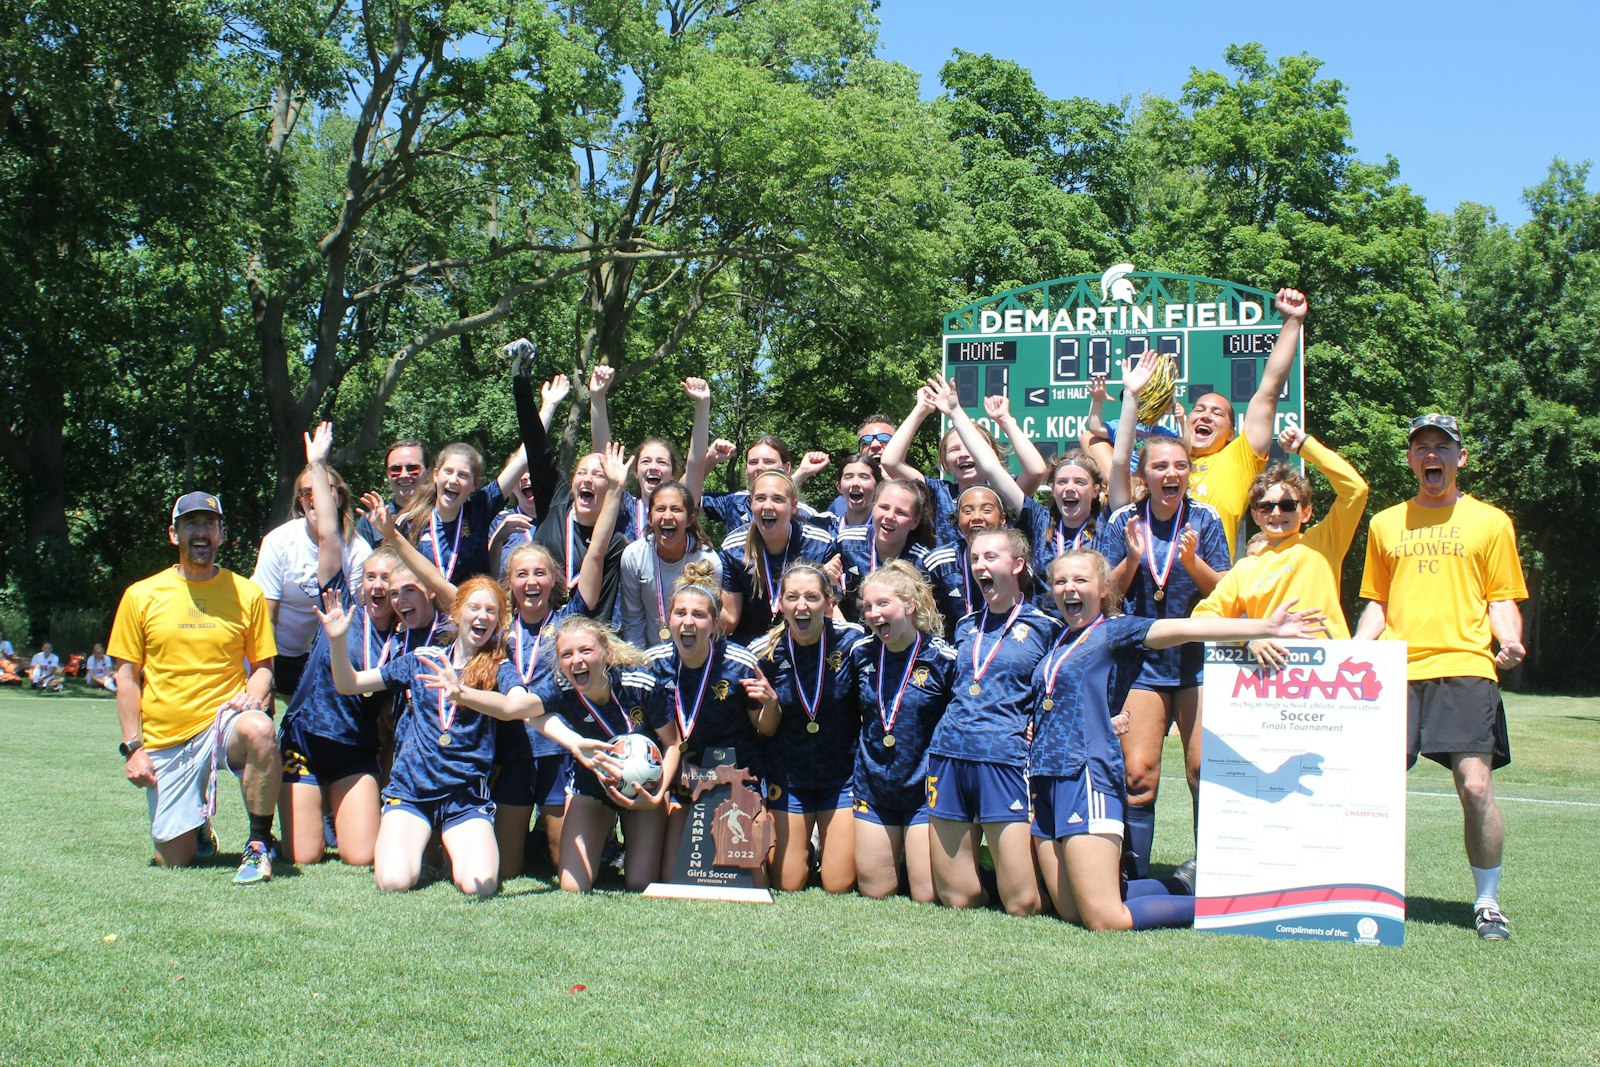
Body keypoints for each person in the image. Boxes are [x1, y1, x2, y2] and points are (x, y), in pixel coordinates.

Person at [1031, 549, 1327, 930]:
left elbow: (1185, 628)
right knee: (1071, 911)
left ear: (1104, 588)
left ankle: (1229, 907)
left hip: (1085, 775)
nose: (1069, 588)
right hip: (1045, 778)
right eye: (1060, 581)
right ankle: (1182, 884)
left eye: (1080, 580)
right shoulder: (1059, 639)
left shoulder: (1114, 630)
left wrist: (1265, 627)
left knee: (1105, 920)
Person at [318, 576, 611, 896]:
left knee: (480, 885)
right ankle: (425, 844)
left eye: (491, 610)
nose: (482, 616)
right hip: (413, 791)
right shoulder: (422, 659)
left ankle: (446, 848)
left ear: (498, 623)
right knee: (393, 882)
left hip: (465, 797)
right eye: (475, 607)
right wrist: (336, 641)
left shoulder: (499, 668)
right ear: (457, 613)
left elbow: (520, 708)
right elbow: (349, 685)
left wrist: (573, 741)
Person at [1355, 412, 1528, 940]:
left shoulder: (1491, 521)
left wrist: (1511, 639)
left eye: (1442, 447)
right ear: (1411, 459)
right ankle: (1364, 890)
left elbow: (1501, 596)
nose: (1432, 455)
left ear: (1460, 458)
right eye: (1422, 447)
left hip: (1466, 666)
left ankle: (1487, 901)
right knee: (1375, 787)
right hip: (1397, 670)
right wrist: (1356, 651)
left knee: (1475, 785)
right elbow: (1377, 604)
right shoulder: (1386, 523)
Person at [1101, 358, 1232, 878]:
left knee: (1203, 770)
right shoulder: (1121, 520)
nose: (1170, 474)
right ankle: (1132, 870)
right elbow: (1105, 598)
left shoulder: (1206, 519)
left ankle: (1215, 869)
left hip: (1197, 662)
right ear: (1146, 475)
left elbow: (1228, 592)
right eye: (1159, 467)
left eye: (1179, 466)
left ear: (1188, 472)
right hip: (1142, 666)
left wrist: (1191, 563)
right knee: (1139, 772)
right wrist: (1134, 560)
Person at [107, 491, 281, 884]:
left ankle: (257, 845)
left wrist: (254, 694)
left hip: (224, 723)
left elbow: (264, 668)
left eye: (209, 524)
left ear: (221, 534)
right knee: (174, 860)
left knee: (261, 729)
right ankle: (198, 826)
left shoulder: (246, 593)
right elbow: (127, 678)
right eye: (191, 524)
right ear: (174, 534)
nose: (201, 533)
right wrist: (134, 749)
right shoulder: (141, 595)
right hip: (168, 736)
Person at [492, 443, 629, 880]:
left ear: (554, 579)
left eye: (539, 574)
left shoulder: (569, 620)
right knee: (508, 868)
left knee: (558, 864)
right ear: (509, 582)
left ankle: (580, 836)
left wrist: (617, 491)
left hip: (557, 751)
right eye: (521, 575)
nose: (531, 582)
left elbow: (595, 551)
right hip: (511, 750)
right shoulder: (495, 628)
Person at [275, 423, 396, 868]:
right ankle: (295, 814)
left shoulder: (403, 638)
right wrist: (318, 464)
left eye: (392, 580)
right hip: (306, 740)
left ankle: (336, 806)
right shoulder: (339, 604)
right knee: (303, 857)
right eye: (373, 578)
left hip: (353, 747)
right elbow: (329, 533)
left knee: (361, 855)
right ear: (361, 582)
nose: (381, 586)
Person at [926, 527, 1061, 916]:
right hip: (949, 752)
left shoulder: (1045, 627)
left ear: (1018, 565)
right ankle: (989, 873)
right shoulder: (965, 626)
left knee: (1022, 904)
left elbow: (1059, 685)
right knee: (957, 898)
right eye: (974, 559)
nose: (980, 566)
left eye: (990, 557)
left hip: (1004, 757)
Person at [644, 562, 777, 879]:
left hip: (736, 785)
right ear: (668, 619)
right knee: (672, 879)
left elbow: (766, 729)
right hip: (684, 788)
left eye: (699, 615)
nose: (688, 622)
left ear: (715, 623)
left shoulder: (740, 662)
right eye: (680, 613)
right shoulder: (653, 664)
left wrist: (772, 704)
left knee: (749, 880)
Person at [1193, 424, 1365, 658]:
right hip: (1271, 681)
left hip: (1329, 675)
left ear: (1306, 512)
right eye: (1265, 506)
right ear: (1255, 515)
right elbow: (1202, 617)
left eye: (1287, 505)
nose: (1276, 513)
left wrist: (1306, 446)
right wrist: (1248, 637)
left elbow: (1356, 490)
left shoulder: (1323, 543)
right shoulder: (1245, 568)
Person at [751, 563, 866, 893]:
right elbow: (763, 732)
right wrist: (771, 704)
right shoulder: (764, 653)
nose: (802, 606)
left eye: (812, 597)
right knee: (788, 883)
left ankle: (826, 844)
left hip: (839, 777)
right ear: (780, 604)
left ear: (828, 602)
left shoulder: (853, 643)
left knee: (838, 884)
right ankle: (809, 845)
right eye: (793, 597)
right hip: (789, 778)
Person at [850, 561, 956, 902]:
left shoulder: (942, 658)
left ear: (909, 606)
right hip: (874, 783)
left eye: (883, 604)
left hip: (924, 789)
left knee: (926, 895)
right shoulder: (861, 655)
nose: (875, 614)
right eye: (868, 607)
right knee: (875, 891)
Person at [1185, 287, 1308, 557]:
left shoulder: (1238, 458)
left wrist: (1292, 322)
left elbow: (1269, 391)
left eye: (1217, 413)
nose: (1205, 415)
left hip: (1212, 587)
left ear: (1231, 433)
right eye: (1199, 409)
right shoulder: (1162, 460)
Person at [252, 450, 372, 700]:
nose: (314, 497)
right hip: (280, 653)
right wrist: (266, 674)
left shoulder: (358, 550)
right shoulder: (278, 542)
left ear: (338, 498)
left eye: (322, 489)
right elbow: (267, 616)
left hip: (330, 655)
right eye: (306, 492)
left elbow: (357, 617)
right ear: (300, 501)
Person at [880, 378, 1048, 545]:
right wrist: (921, 410)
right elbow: (890, 461)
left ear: (991, 453)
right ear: (945, 461)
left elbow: (1037, 471)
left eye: (970, 448)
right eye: (954, 449)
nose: (963, 455)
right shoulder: (937, 493)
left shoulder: (1004, 490)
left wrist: (1005, 420)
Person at [717, 469, 839, 645]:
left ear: (794, 506)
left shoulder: (819, 544)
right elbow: (729, 622)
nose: (768, 506)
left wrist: (823, 583)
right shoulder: (734, 548)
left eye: (778, 499)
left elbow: (831, 611)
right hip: (750, 648)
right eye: (760, 498)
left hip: (805, 645)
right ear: (751, 504)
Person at [588, 366, 706, 542]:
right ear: (636, 471)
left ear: (673, 473)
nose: (653, 467)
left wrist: (703, 404)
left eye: (662, 462)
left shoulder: (682, 505)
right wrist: (597, 396)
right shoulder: (623, 505)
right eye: (646, 461)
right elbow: (604, 456)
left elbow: (696, 464)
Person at [617, 480, 722, 650]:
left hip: (696, 656)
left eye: (676, 509)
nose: (667, 516)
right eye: (660, 509)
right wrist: (638, 667)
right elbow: (633, 620)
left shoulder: (709, 562)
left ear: (690, 519)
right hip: (651, 657)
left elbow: (711, 623)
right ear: (650, 518)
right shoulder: (633, 556)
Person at [487, 374, 572, 574]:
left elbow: (536, 450)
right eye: (519, 473)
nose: (526, 477)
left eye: (530, 472)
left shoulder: (566, 516)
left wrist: (549, 406)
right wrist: (498, 539)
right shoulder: (498, 522)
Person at [356, 440, 432, 547]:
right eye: (395, 469)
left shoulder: (443, 515)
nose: (404, 475)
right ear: (387, 474)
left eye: (412, 468)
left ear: (428, 473)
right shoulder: (372, 520)